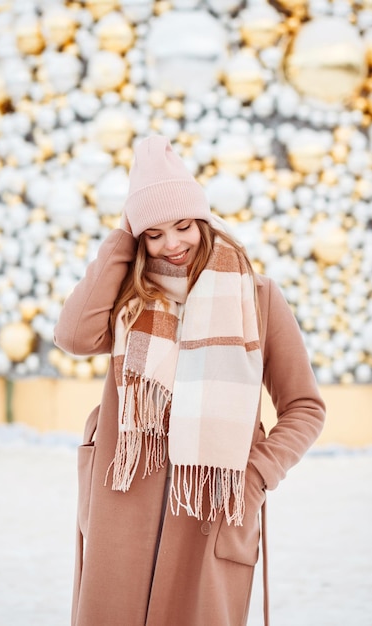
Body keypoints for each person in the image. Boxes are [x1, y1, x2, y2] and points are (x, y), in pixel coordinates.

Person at [54, 135, 326, 626]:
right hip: (122, 501)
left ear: (202, 221)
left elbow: (305, 406)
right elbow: (72, 335)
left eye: (182, 226)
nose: (172, 244)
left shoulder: (257, 298)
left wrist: (255, 476)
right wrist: (122, 236)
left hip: (210, 506)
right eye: (154, 234)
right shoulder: (128, 297)